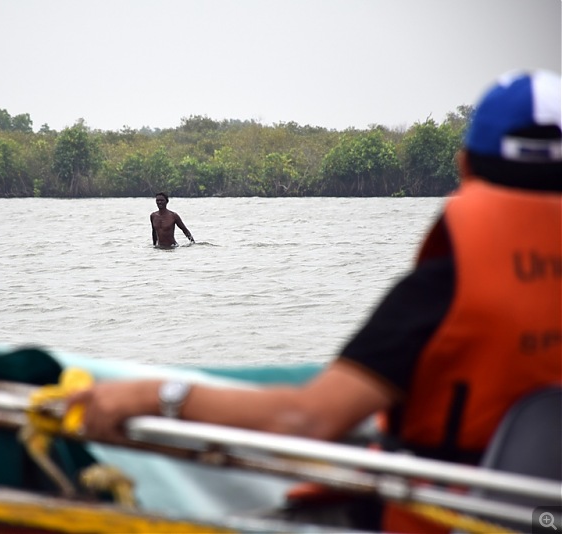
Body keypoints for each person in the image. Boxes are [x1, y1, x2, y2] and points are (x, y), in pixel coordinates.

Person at [67, 71, 562, 532]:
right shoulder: (152, 219)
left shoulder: (442, 289)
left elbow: (308, 419)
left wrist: (153, 395)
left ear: (464, 165)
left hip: (461, 515)